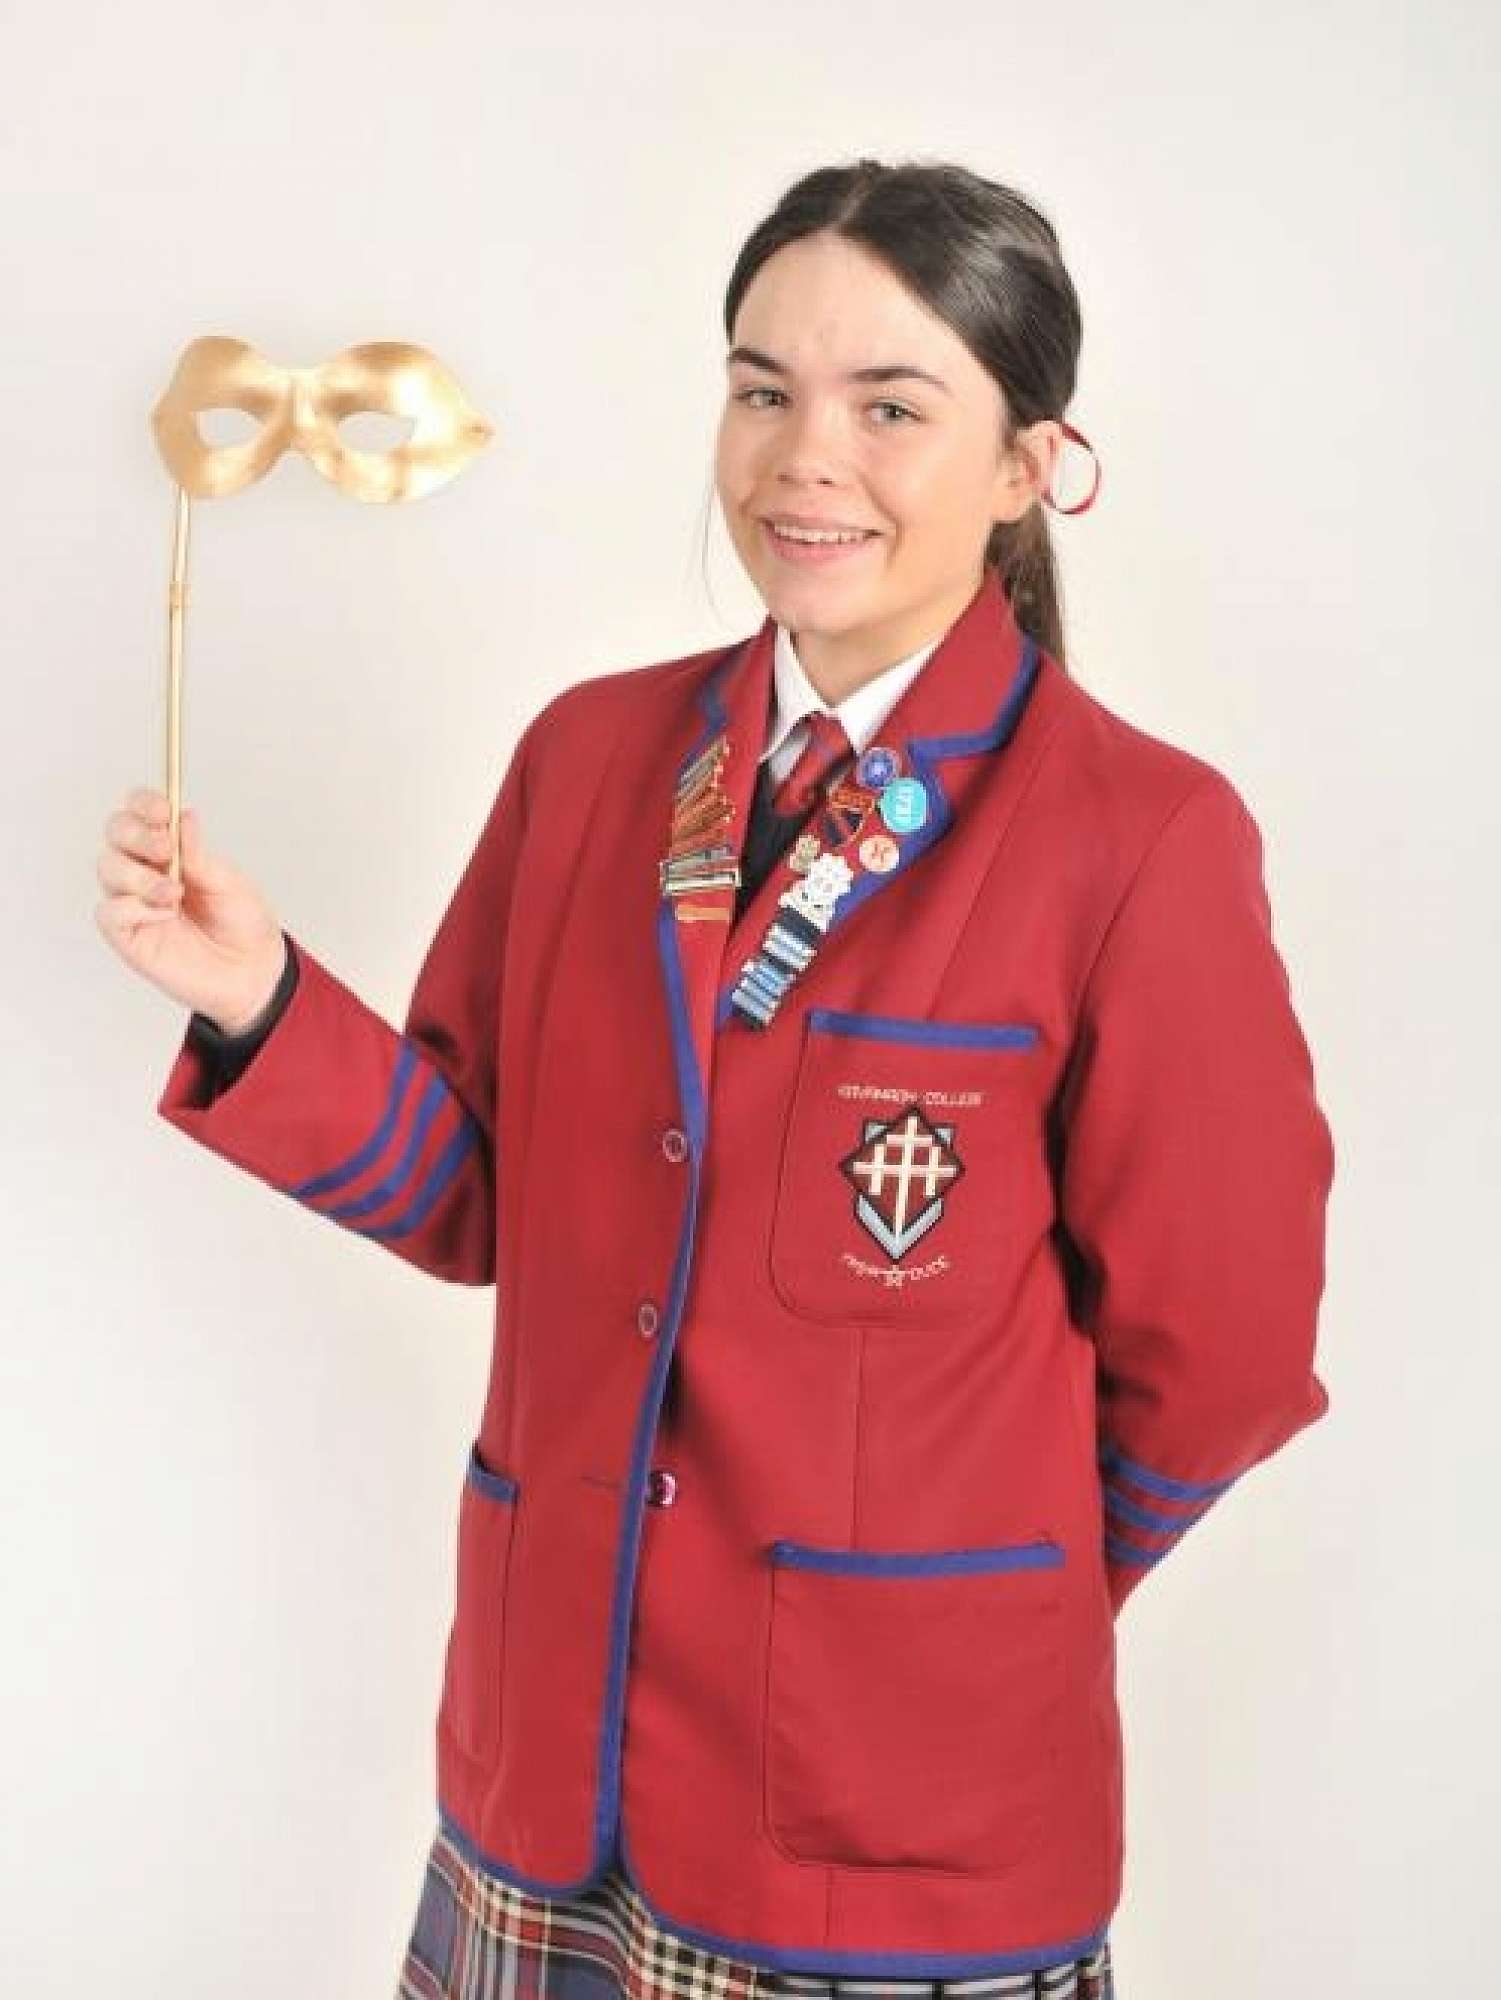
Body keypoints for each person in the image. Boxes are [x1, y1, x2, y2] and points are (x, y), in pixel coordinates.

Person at [98, 159, 1335, 2000]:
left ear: (1025, 465)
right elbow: (483, 1192)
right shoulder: (593, 759)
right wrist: (262, 1002)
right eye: (762, 389)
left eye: (889, 407)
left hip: (897, 1821)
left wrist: (992, 1580)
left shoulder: (1137, 835)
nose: (801, 457)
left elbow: (1222, 1355)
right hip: (551, 1763)